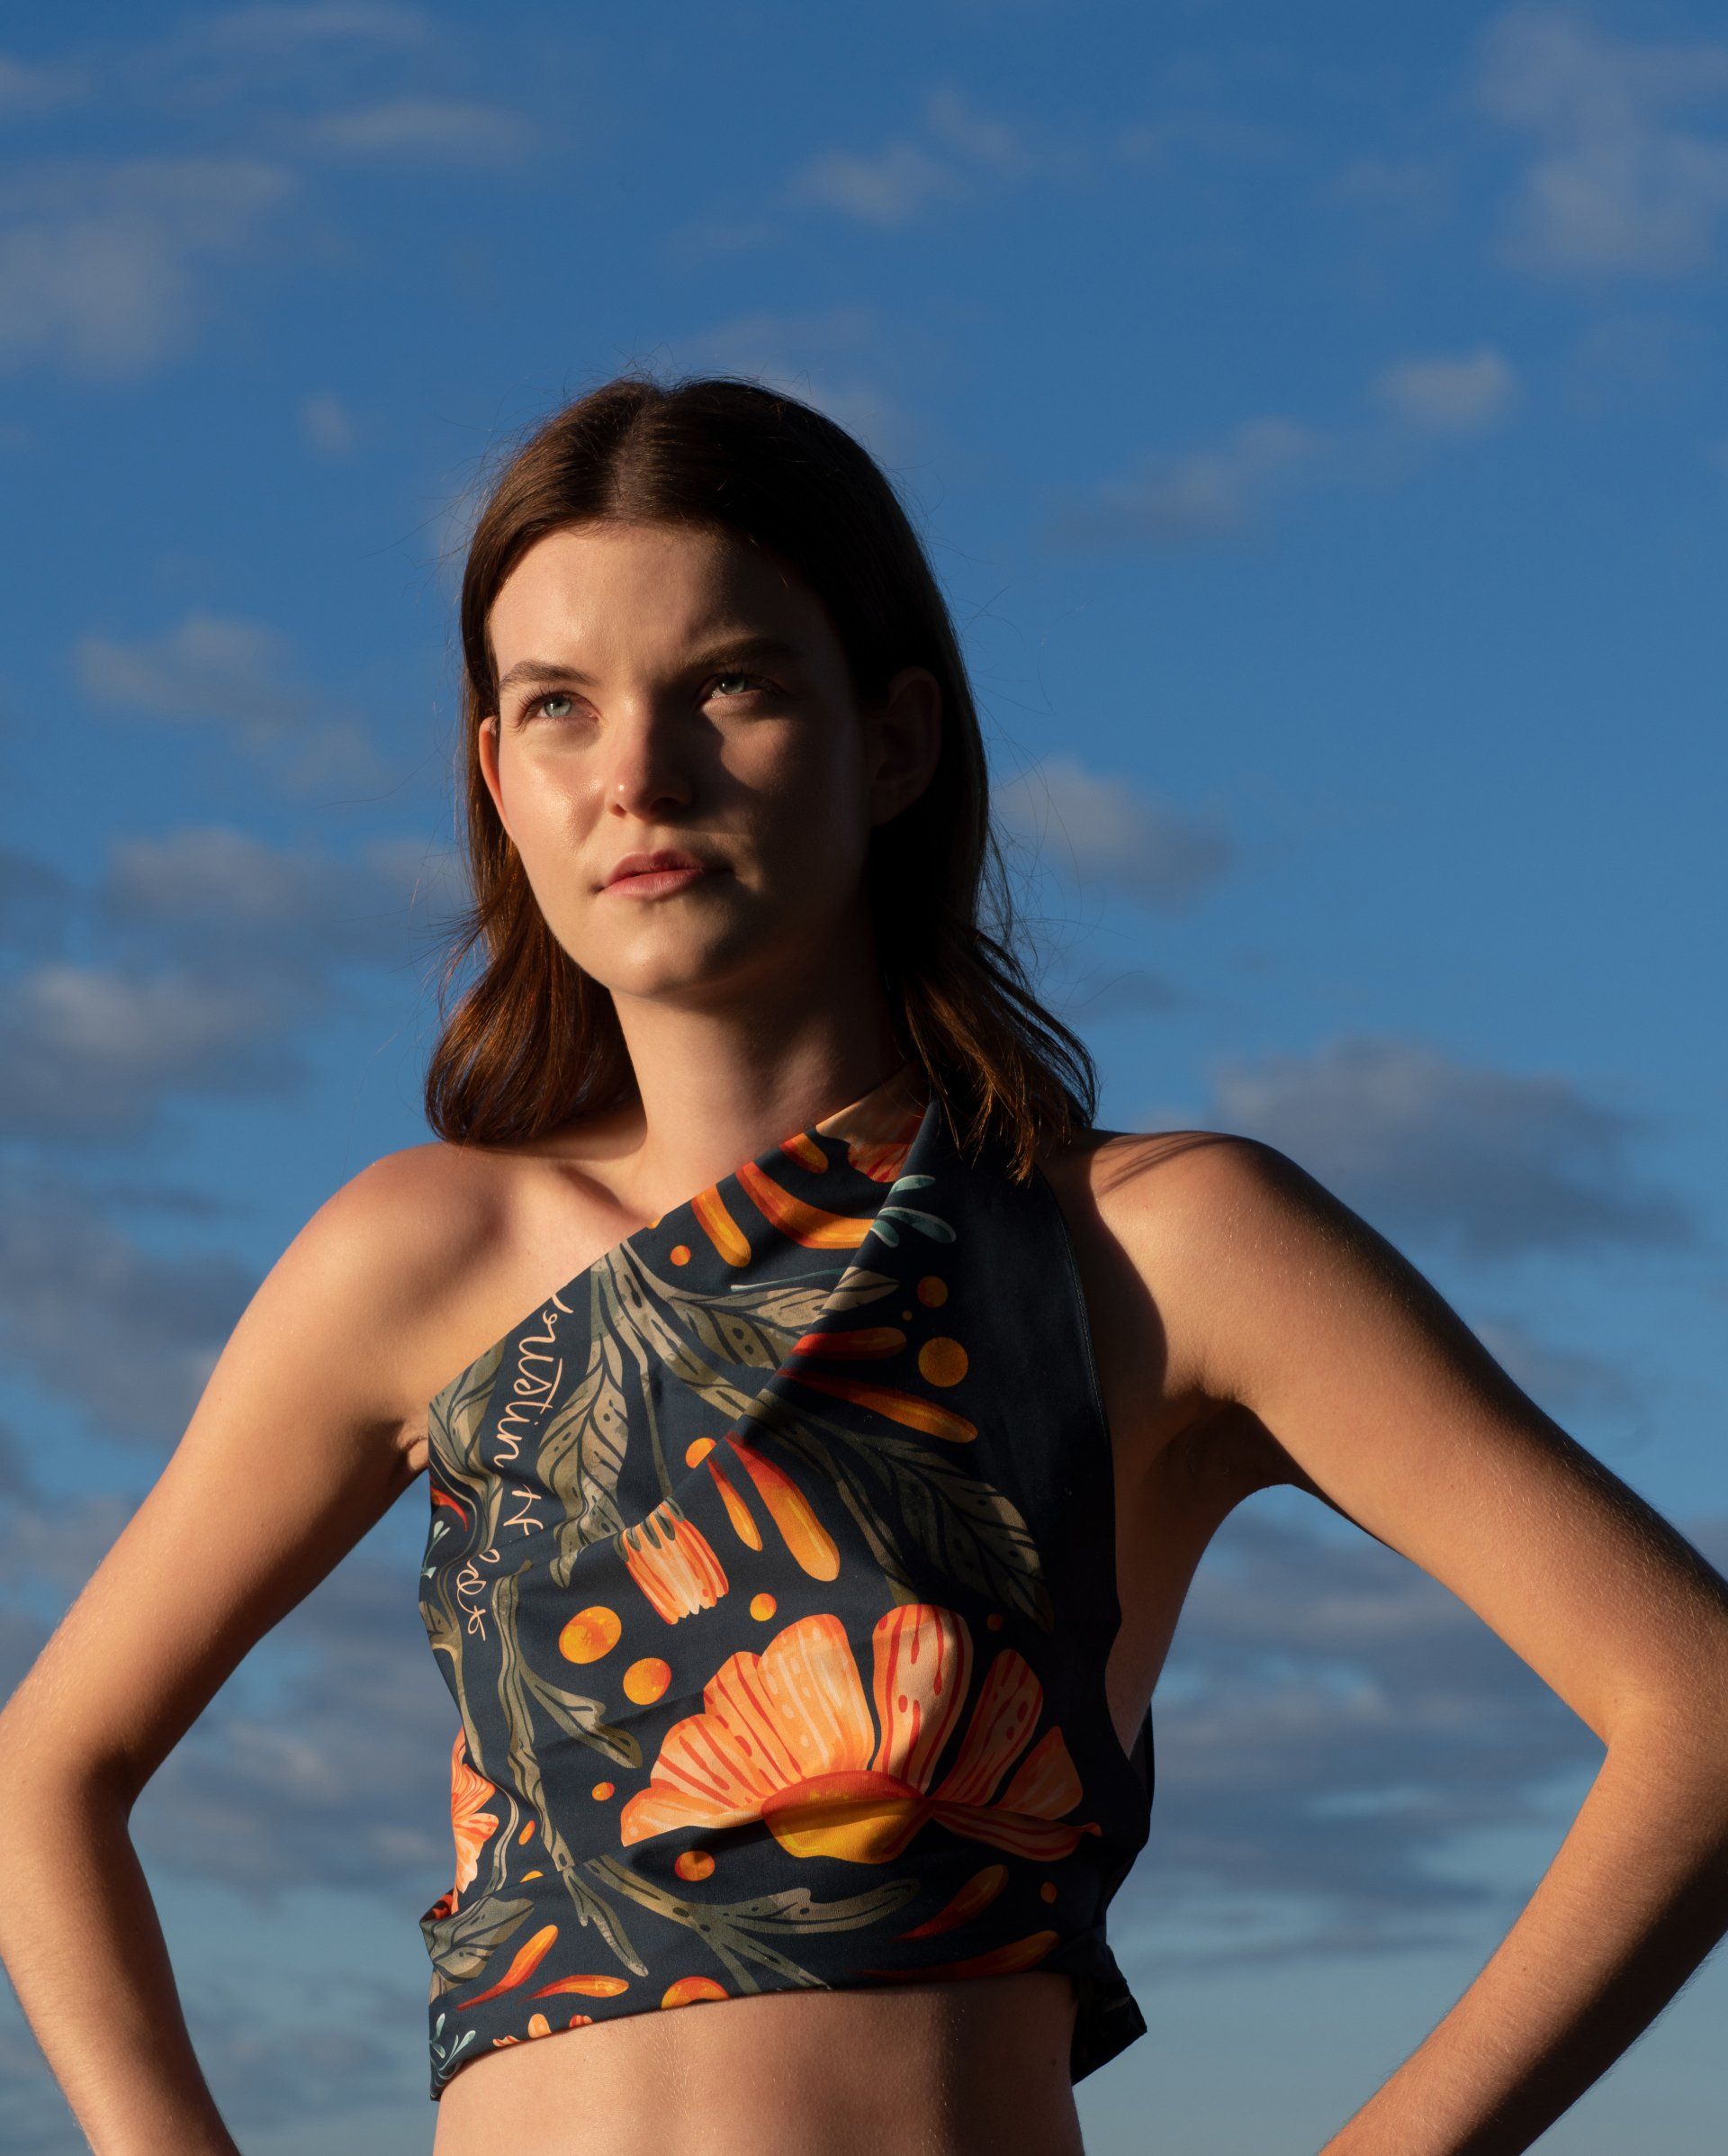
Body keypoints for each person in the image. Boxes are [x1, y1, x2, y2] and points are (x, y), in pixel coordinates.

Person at [2, 375, 1726, 2156]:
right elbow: (46, 1771)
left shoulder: (1151, 1248)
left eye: (728, 685)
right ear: (497, 774)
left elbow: (1702, 1709)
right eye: (558, 708)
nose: (636, 778)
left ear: (893, 740)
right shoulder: (417, 1258)